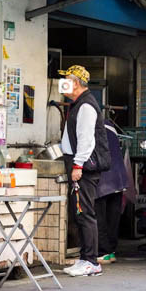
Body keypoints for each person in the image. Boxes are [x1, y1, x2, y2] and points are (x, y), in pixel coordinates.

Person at [59, 65, 110, 277]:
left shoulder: (86, 106)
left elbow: (86, 139)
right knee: (80, 212)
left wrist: (78, 165)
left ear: (76, 83)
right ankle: (84, 258)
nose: (63, 84)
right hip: (80, 165)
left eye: (67, 80)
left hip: (85, 167)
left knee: (85, 212)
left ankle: (91, 261)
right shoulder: (79, 104)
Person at [95, 122, 129, 264]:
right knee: (113, 217)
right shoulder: (110, 125)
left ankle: (103, 252)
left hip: (103, 177)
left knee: (99, 217)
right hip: (118, 177)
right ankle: (111, 252)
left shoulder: (90, 125)